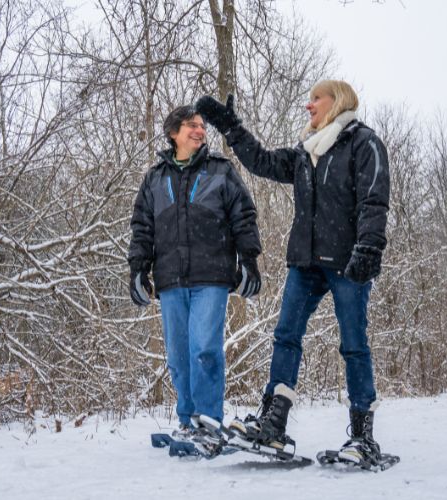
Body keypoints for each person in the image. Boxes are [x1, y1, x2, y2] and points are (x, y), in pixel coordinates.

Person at [194, 80, 392, 468]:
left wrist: (369, 247)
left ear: (338, 102)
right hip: (305, 262)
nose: (308, 105)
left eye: (316, 98)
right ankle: (274, 422)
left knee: (353, 344)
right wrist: (229, 126)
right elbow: (262, 161)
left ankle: (362, 435)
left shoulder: (363, 143)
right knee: (286, 335)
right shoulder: (306, 153)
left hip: (348, 260)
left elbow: (374, 199)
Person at [128, 104, 263, 453]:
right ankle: (188, 421)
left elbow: (244, 215)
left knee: (204, 349)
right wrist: (139, 269)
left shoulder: (220, 171)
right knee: (178, 356)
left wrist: (248, 260)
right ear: (174, 132)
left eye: (202, 126)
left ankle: (209, 422)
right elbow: (142, 226)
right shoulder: (155, 178)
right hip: (171, 279)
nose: (200, 131)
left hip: (212, 276)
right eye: (192, 125)